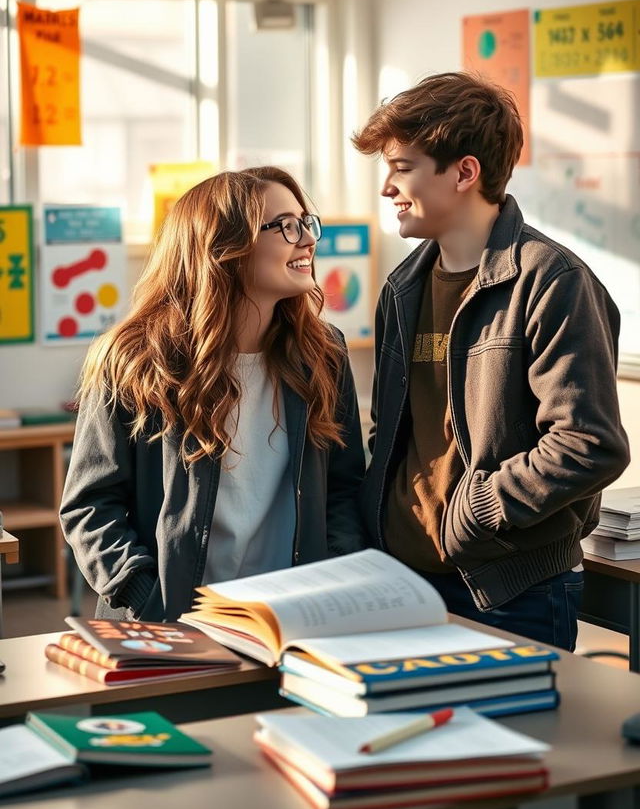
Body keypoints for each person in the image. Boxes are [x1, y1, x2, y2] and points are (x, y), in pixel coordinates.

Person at [352, 72, 630, 650]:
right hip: (398, 581)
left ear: (464, 171)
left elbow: (588, 443)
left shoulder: (553, 282)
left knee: (513, 742)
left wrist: (475, 513)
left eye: (402, 167)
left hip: (507, 592)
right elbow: (390, 432)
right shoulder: (402, 286)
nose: (387, 188)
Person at [60, 166, 366, 622]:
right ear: (224, 248)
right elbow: (91, 505)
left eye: (307, 223)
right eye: (286, 226)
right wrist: (147, 597)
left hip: (289, 619)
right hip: (169, 626)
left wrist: (334, 583)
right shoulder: (135, 357)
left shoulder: (323, 353)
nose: (308, 240)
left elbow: (343, 488)